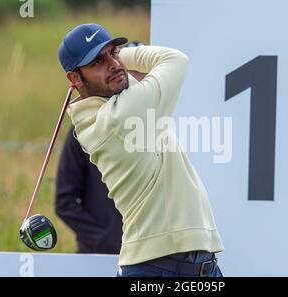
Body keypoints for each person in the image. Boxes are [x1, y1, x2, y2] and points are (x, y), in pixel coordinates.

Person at [58, 23, 224, 277]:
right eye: (96, 62)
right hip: (157, 268)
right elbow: (175, 60)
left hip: (195, 266)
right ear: (74, 78)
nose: (112, 64)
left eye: (113, 52)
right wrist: (124, 56)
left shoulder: (106, 105)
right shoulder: (118, 116)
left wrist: (109, 60)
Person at [55, 42, 145, 255]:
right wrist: (106, 239)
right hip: (99, 256)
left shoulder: (155, 122)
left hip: (149, 255)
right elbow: (65, 202)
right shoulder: (84, 129)